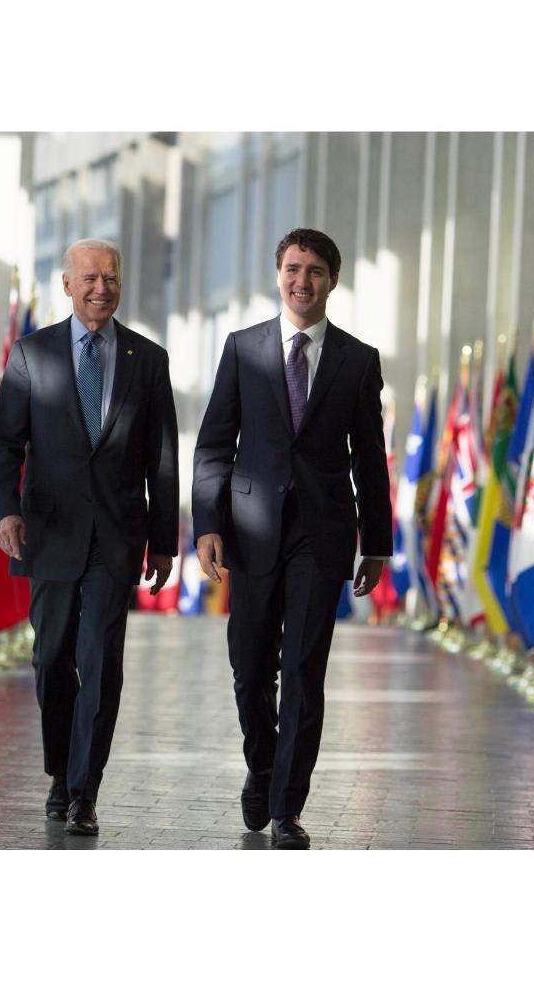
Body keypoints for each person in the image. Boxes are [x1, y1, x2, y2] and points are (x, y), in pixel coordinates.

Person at [192, 228, 391, 849]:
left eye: (314, 271)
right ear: (278, 273)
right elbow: (214, 444)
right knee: (250, 666)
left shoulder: (358, 361)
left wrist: (377, 542)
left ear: (333, 280)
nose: (301, 280)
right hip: (251, 533)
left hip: (323, 534)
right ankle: (263, 764)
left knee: (304, 669)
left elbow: (371, 459)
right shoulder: (243, 347)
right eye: (292, 268)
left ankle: (286, 808)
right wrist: (207, 525)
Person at [0, 237, 179, 836]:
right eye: (90, 278)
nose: (102, 288)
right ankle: (59, 771)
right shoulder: (31, 353)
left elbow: (163, 459)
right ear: (67, 285)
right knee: (50, 659)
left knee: (100, 660)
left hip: (117, 540)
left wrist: (165, 540)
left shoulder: (149, 361)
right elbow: (4, 444)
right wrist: (6, 512)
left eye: (112, 279)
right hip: (49, 534)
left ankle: (83, 790)